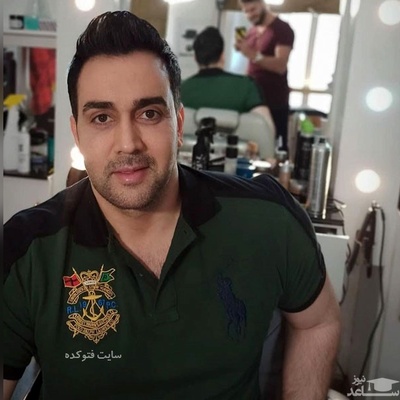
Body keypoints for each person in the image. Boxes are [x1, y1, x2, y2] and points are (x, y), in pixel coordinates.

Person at [3, 11, 340, 400]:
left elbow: (318, 322)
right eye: (102, 117)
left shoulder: (267, 220)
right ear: (77, 133)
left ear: (178, 122)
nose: (128, 144)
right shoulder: (27, 248)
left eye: (149, 113)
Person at [181, 26, 274, 133]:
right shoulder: (247, 86)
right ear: (222, 56)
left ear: (195, 58)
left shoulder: (180, 90)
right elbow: (267, 129)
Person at [235, 0, 295, 152]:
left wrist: (252, 54)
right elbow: (252, 66)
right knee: (252, 148)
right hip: (253, 101)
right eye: (246, 11)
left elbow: (280, 65)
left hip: (275, 102)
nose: (250, 14)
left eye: (253, 9)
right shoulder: (252, 31)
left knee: (275, 149)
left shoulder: (282, 29)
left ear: (263, 4)